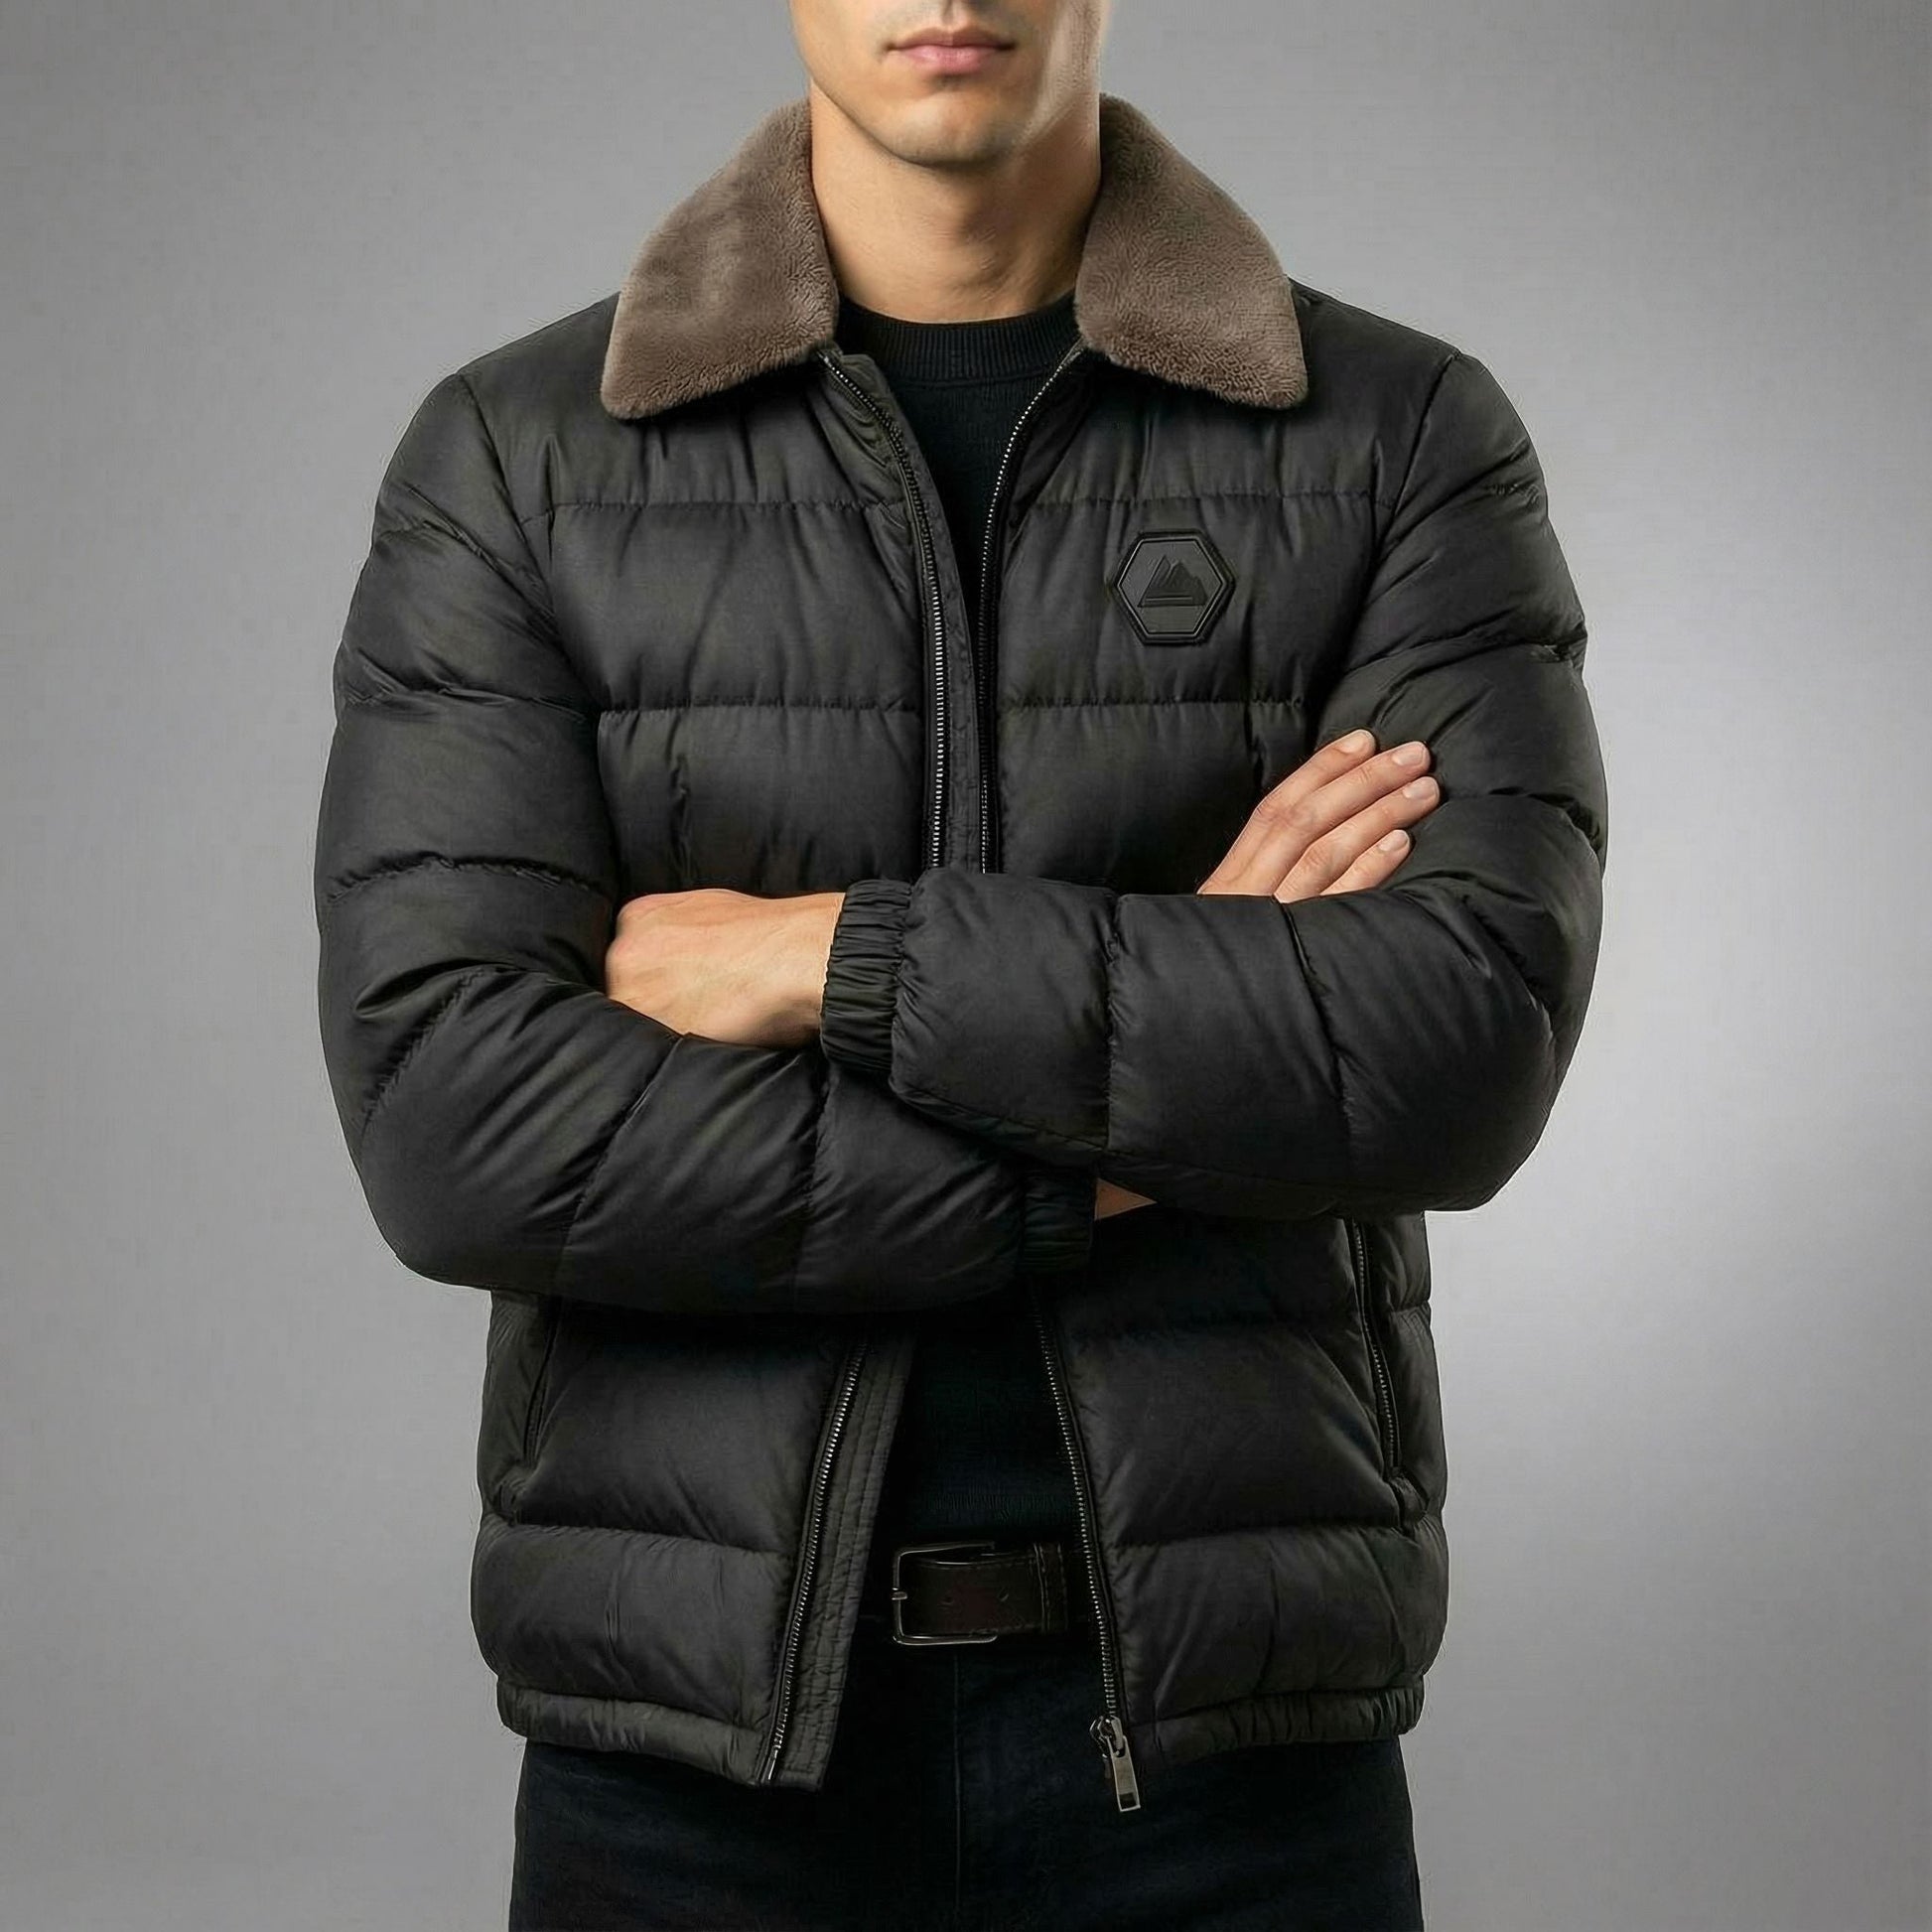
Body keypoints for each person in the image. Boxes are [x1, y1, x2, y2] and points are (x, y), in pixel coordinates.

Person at [312, 2, 1608, 1925]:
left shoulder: (1397, 436)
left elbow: (1455, 1046)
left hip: (1229, 1751)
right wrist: (1150, 1103)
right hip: (689, 1766)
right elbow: (458, 1126)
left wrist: (829, 955)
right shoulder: (520, 456)